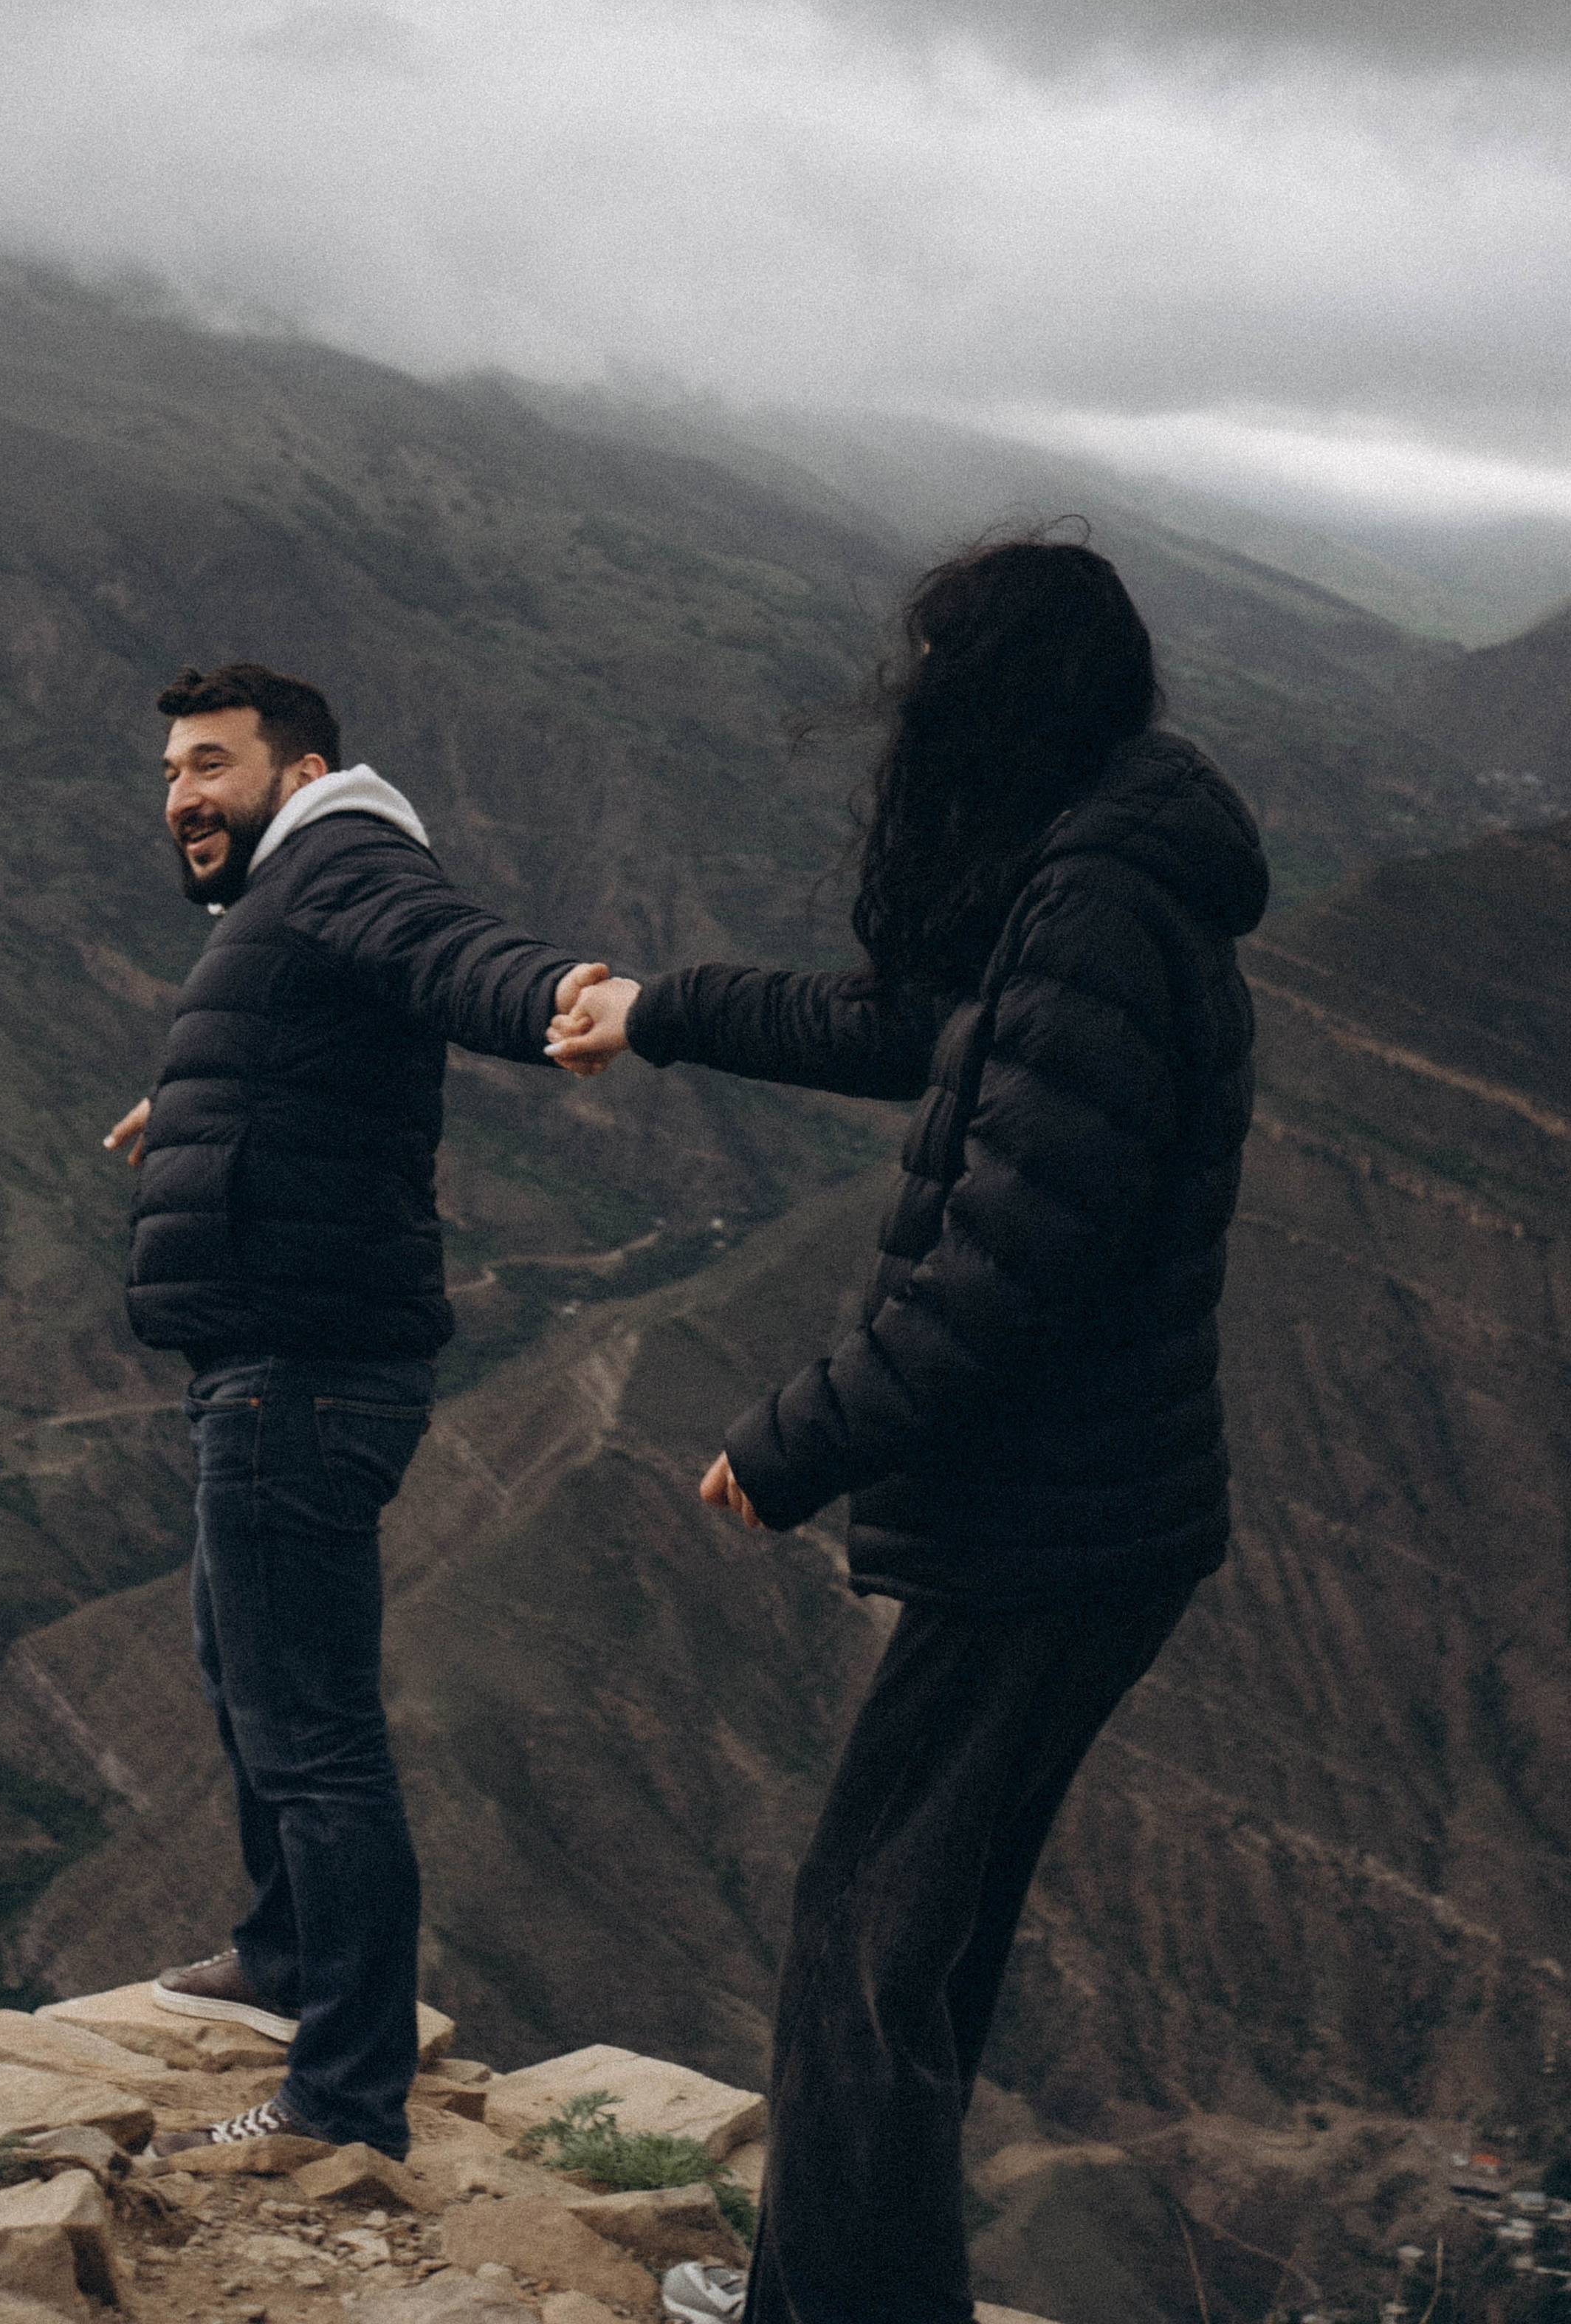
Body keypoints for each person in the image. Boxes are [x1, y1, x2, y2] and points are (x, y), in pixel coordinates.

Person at [547, 541, 1268, 2324]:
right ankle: (824, 2286)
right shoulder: (1086, 877)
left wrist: (797, 1437)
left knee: (860, 1944)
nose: (907, 703)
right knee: (913, 1940)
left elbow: (1006, 1256)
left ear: (997, 691)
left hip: (1054, 1526)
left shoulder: (1097, 910)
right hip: (1093, 1515)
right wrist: (660, 1012)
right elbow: (915, 1036)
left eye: (935, 667)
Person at [103, 660, 608, 2163]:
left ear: (301, 767)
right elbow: (320, 1033)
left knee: (312, 1734)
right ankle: (283, 1954)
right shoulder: (287, 887)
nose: (185, 795)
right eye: (172, 773)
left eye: (211, 764)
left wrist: (555, 999)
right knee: (234, 1663)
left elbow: (444, 954)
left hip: (301, 1370)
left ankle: (340, 2100)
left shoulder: (341, 854)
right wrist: (190, 1107)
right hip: (274, 1361)